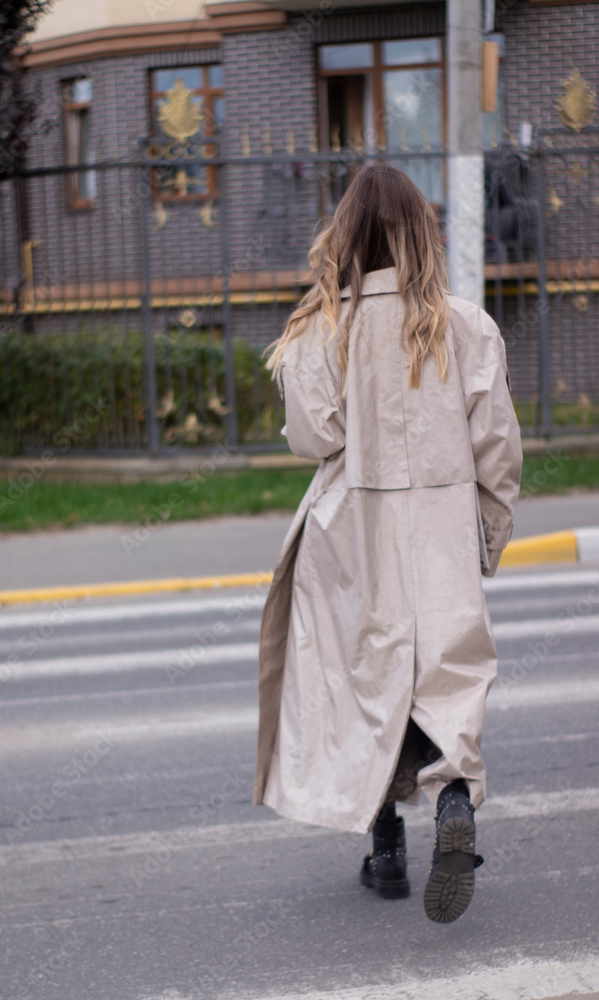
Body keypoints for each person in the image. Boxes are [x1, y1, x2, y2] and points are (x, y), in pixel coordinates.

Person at [252, 162, 522, 924]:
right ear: (419, 233)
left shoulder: (320, 328)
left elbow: (314, 438)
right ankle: (454, 803)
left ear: (345, 236)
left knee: (362, 677)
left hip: (353, 531)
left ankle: (385, 849)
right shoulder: (465, 325)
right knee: (447, 673)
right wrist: (488, 537)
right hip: (440, 524)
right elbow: (497, 449)